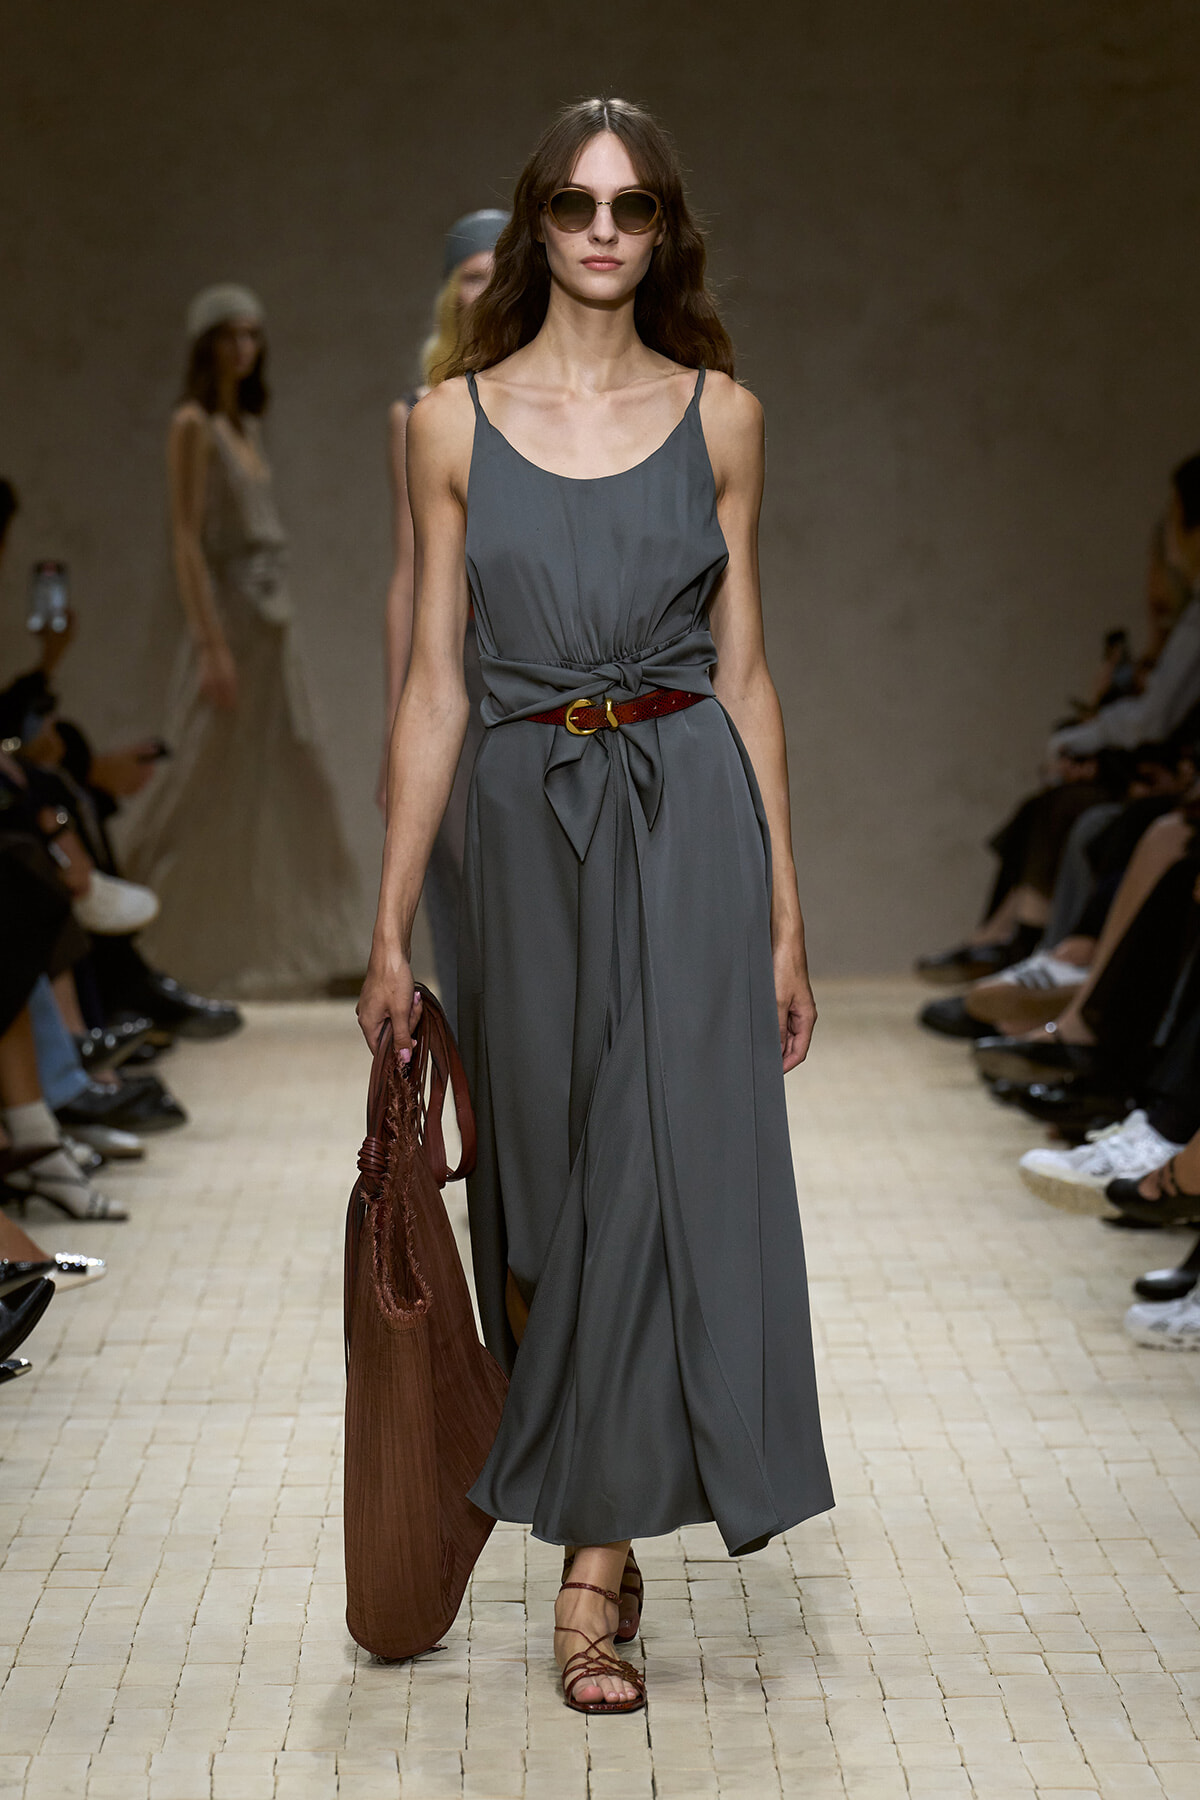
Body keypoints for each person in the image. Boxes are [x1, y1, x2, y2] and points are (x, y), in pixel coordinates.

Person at [358, 97, 832, 1715]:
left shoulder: (724, 419)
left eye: (633, 206)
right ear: (538, 222)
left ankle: (591, 1576)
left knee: (652, 1156)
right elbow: (434, 687)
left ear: (666, 227)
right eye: (576, 204)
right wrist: (389, 926)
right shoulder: (447, 425)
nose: (605, 231)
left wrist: (783, 912)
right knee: (550, 1188)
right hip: (518, 828)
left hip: (688, 812)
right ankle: (596, 1500)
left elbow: (748, 673)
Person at [118, 286, 362, 997]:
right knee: (193, 779)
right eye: (230, 336)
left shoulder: (246, 426)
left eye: (252, 335)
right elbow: (186, 542)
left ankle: (335, 947)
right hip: (231, 621)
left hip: (273, 623)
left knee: (302, 775)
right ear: (207, 344)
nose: (243, 349)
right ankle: (112, 936)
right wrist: (210, 645)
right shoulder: (193, 425)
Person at [380, 210, 507, 1027]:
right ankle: (476, 1060)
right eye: (471, 275)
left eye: (501, 273)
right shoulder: (420, 411)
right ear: (448, 292)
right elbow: (408, 574)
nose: (486, 290)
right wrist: (395, 726)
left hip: (533, 661)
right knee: (457, 867)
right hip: (456, 661)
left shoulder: (553, 403)